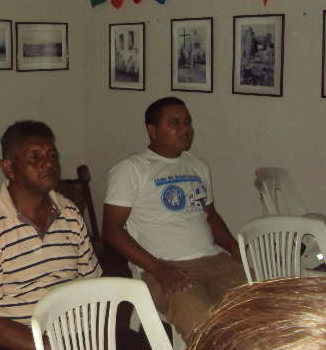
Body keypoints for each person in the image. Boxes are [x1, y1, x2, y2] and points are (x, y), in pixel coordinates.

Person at [102, 97, 246, 343]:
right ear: (153, 131)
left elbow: (210, 215)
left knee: (259, 312)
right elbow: (111, 230)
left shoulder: (198, 166)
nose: (185, 128)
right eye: (175, 123)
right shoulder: (132, 169)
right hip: (165, 267)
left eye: (187, 122)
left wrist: (234, 248)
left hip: (215, 261)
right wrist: (159, 269)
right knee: (206, 329)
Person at [0, 120, 102, 350]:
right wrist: (53, 347)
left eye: (52, 155)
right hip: (25, 343)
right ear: (8, 168)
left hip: (75, 336)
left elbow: (92, 286)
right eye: (34, 157)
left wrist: (93, 338)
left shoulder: (70, 213)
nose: (49, 163)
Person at [187, 276, 326, 350]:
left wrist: (234, 247)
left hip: (217, 258)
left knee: (247, 290)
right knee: (197, 319)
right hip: (180, 270)